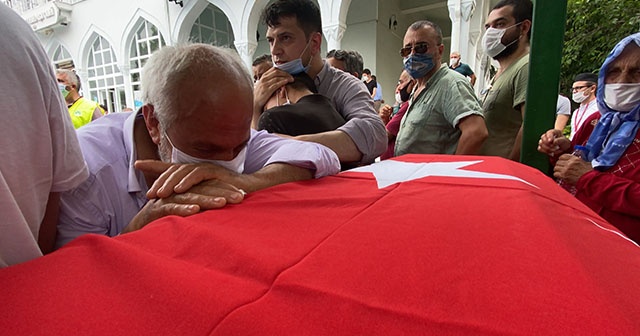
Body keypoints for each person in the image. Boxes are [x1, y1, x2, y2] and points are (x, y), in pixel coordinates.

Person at [55, 43, 340, 248]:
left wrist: (244, 181)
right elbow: (68, 276)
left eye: (240, 147)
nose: (226, 161)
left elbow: (321, 156)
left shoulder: (226, 134)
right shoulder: (86, 171)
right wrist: (139, 229)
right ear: (154, 123)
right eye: (206, 151)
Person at [0, 5, 88, 267]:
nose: (61, 86)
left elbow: (58, 184)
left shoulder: (91, 109)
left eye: (65, 83)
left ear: (73, 86)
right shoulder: (16, 30)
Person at [253, 0, 386, 165]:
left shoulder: (345, 85)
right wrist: (254, 106)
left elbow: (374, 134)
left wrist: (291, 144)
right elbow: (251, 152)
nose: (274, 51)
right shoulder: (267, 88)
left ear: (314, 43)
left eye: (285, 38)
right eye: (271, 41)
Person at [538, 33, 640, 242]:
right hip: (572, 233)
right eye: (614, 72)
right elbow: (575, 168)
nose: (621, 81)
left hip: (623, 251)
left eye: (636, 72)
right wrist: (560, 150)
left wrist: (590, 179)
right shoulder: (599, 120)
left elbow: (584, 175)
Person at [394, 20, 488, 156]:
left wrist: (449, 172)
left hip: (431, 175)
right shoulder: (419, 87)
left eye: (421, 47)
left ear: (440, 50)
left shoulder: (451, 83)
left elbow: (476, 132)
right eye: (407, 50)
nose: (413, 54)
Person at [479, 0, 533, 160]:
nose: (490, 32)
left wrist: (510, 169)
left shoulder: (526, 66)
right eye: (488, 27)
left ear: (523, 27)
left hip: (503, 173)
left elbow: (529, 126)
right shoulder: (499, 73)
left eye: (500, 24)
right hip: (487, 170)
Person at [258, 72, 345, 136]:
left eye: (265, 107)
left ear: (281, 90)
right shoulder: (336, 112)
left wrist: (255, 108)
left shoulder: (273, 118)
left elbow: (255, 156)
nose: (266, 110)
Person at [379, 70, 415, 160]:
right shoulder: (401, 106)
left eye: (401, 82)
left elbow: (383, 137)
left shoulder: (407, 106)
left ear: (413, 84)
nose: (398, 88)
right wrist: (385, 120)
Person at [568, 72, 599, 140]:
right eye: (573, 89)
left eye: (578, 88)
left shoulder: (599, 108)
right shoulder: (576, 112)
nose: (574, 91)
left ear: (592, 88)